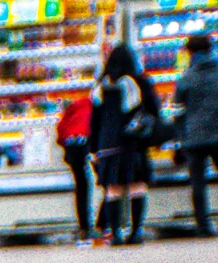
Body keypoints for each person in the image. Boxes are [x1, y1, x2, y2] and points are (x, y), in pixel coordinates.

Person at [91, 42, 163, 245]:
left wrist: (93, 149)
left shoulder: (101, 85)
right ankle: (136, 231)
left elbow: (94, 120)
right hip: (133, 142)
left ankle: (116, 234)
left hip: (107, 143)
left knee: (112, 189)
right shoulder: (140, 82)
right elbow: (154, 110)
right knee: (137, 186)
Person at [175, 32, 218, 236]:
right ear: (210, 48)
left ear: (189, 52)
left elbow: (178, 111)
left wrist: (179, 139)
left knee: (197, 183)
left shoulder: (186, 76)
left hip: (193, 136)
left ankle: (203, 226)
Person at [57, 90, 96, 241]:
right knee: (106, 183)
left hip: (71, 144)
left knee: (81, 186)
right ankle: (100, 223)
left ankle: (84, 226)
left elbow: (61, 128)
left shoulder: (75, 105)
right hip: (87, 142)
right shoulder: (97, 107)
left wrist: (63, 143)